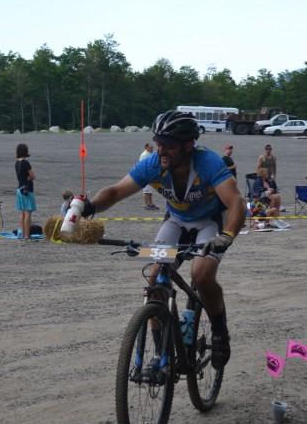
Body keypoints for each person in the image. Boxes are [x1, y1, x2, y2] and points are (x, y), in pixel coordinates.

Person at [81, 110, 246, 368]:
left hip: (209, 222)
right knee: (155, 276)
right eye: (158, 142)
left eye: (168, 144)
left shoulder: (209, 163)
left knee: (201, 274)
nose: (161, 150)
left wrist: (227, 235)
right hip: (176, 221)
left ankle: (220, 331)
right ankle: (162, 354)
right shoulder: (154, 163)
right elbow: (115, 191)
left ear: (188, 145)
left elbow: (236, 201)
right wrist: (88, 207)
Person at [14, 143, 36, 241]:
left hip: (19, 189)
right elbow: (33, 176)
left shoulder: (16, 163)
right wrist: (29, 178)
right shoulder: (26, 163)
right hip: (27, 190)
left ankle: (23, 234)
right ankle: (27, 235)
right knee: (28, 213)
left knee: (22, 213)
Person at [139, 142, 160, 210]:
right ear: (146, 147)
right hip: (145, 175)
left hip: (150, 176)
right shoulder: (144, 155)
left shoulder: (150, 154)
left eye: (152, 148)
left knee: (150, 191)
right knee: (146, 191)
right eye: (151, 148)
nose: (152, 149)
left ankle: (151, 204)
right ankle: (147, 204)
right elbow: (143, 166)